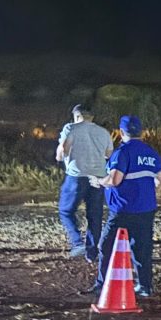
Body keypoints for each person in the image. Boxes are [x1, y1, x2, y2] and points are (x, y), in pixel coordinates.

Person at [90, 115, 161, 299]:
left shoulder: (122, 152)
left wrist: (99, 181)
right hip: (146, 209)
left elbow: (115, 179)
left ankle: (102, 284)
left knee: (106, 246)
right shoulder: (151, 152)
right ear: (141, 132)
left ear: (121, 132)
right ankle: (145, 287)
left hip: (122, 210)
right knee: (142, 249)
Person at [55, 104, 113, 263]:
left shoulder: (71, 128)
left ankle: (77, 242)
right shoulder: (104, 132)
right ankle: (92, 253)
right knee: (95, 215)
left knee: (66, 211)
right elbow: (108, 154)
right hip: (98, 178)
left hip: (77, 176)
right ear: (92, 116)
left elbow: (62, 152)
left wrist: (60, 155)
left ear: (76, 116)